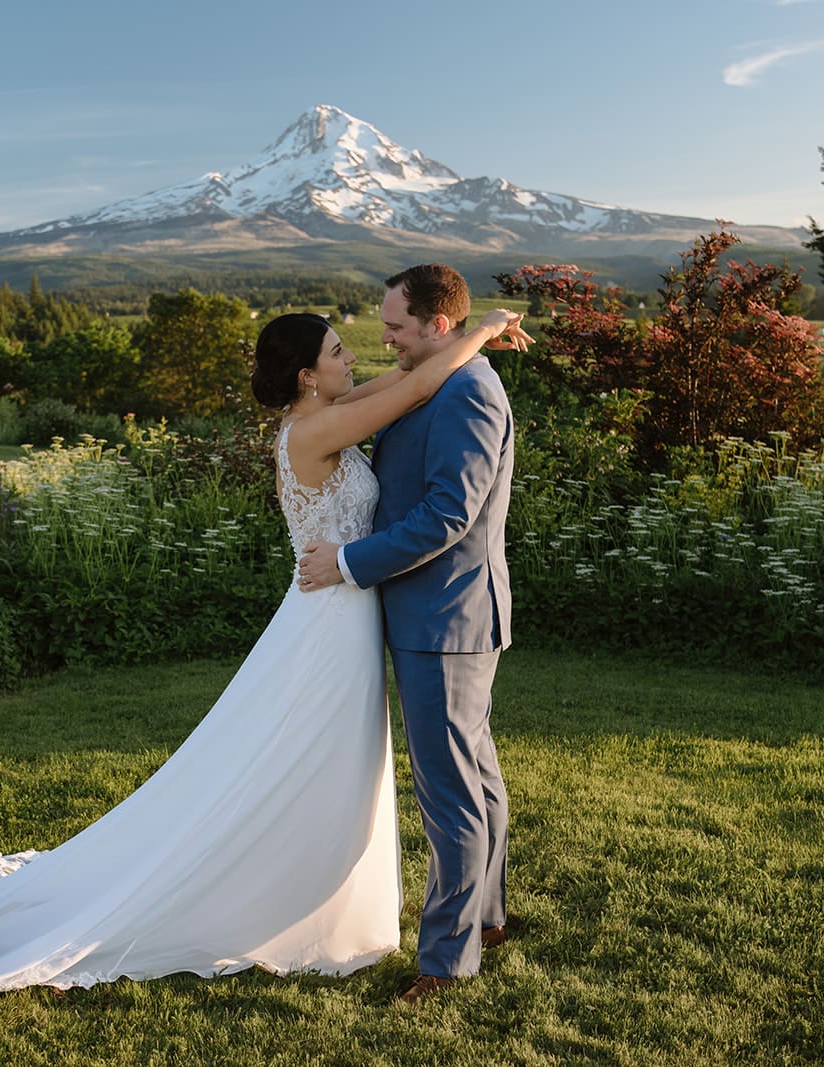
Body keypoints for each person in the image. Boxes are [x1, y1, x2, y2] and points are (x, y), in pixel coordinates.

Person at [0, 302, 526, 1023]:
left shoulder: (328, 408)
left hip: (341, 621)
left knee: (324, 770)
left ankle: (319, 894)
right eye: (340, 350)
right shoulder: (313, 429)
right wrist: (485, 325)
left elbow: (402, 384)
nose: (359, 358)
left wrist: (466, 341)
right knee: (290, 766)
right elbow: (414, 385)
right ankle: (257, 900)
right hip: (326, 625)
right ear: (308, 378)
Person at [298, 263, 521, 1005]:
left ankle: (446, 961)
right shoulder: (433, 377)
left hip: (446, 618)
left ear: (437, 325)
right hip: (437, 615)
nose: (384, 336)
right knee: (475, 776)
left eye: (395, 326)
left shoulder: (469, 392)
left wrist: (350, 561)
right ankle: (484, 917)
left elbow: (446, 516)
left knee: (450, 793)